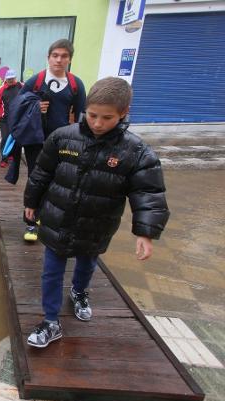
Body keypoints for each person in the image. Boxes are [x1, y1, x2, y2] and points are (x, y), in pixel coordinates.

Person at [23, 77, 170, 348]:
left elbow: (148, 192)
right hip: (58, 217)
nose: (98, 123)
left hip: (97, 224)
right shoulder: (63, 137)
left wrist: (145, 233)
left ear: (124, 113)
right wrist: (31, 202)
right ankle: (51, 320)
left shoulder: (136, 152)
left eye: (107, 117)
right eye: (92, 115)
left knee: (87, 263)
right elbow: (41, 173)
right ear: (85, 109)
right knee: (51, 270)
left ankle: (79, 292)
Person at [19, 39, 86, 241]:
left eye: (64, 56)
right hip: (36, 140)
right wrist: (34, 108)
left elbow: (83, 114)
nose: (59, 60)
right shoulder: (35, 81)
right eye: (55, 55)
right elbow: (18, 106)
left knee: (59, 180)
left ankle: (46, 217)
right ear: (48, 57)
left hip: (62, 142)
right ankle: (30, 223)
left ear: (70, 59)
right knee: (35, 178)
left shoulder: (76, 84)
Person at [0, 69, 22, 167]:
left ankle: (11, 154)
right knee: (6, 138)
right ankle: (4, 159)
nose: (10, 80)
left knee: (15, 138)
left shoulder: (21, 87)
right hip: (5, 120)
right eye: (8, 79)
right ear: (5, 79)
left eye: (12, 78)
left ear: (15, 78)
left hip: (17, 119)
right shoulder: (2, 90)